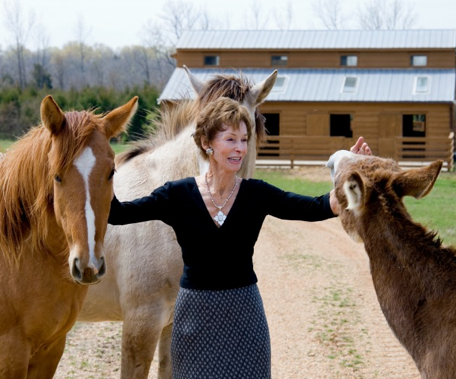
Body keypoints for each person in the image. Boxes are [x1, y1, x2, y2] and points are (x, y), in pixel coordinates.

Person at [108, 97, 372, 379]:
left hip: (244, 318)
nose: (240, 148)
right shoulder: (177, 194)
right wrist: (98, 168)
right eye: (231, 139)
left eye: (244, 140)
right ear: (207, 143)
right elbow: (119, 214)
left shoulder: (256, 194)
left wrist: (353, 168)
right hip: (193, 319)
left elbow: (319, 206)